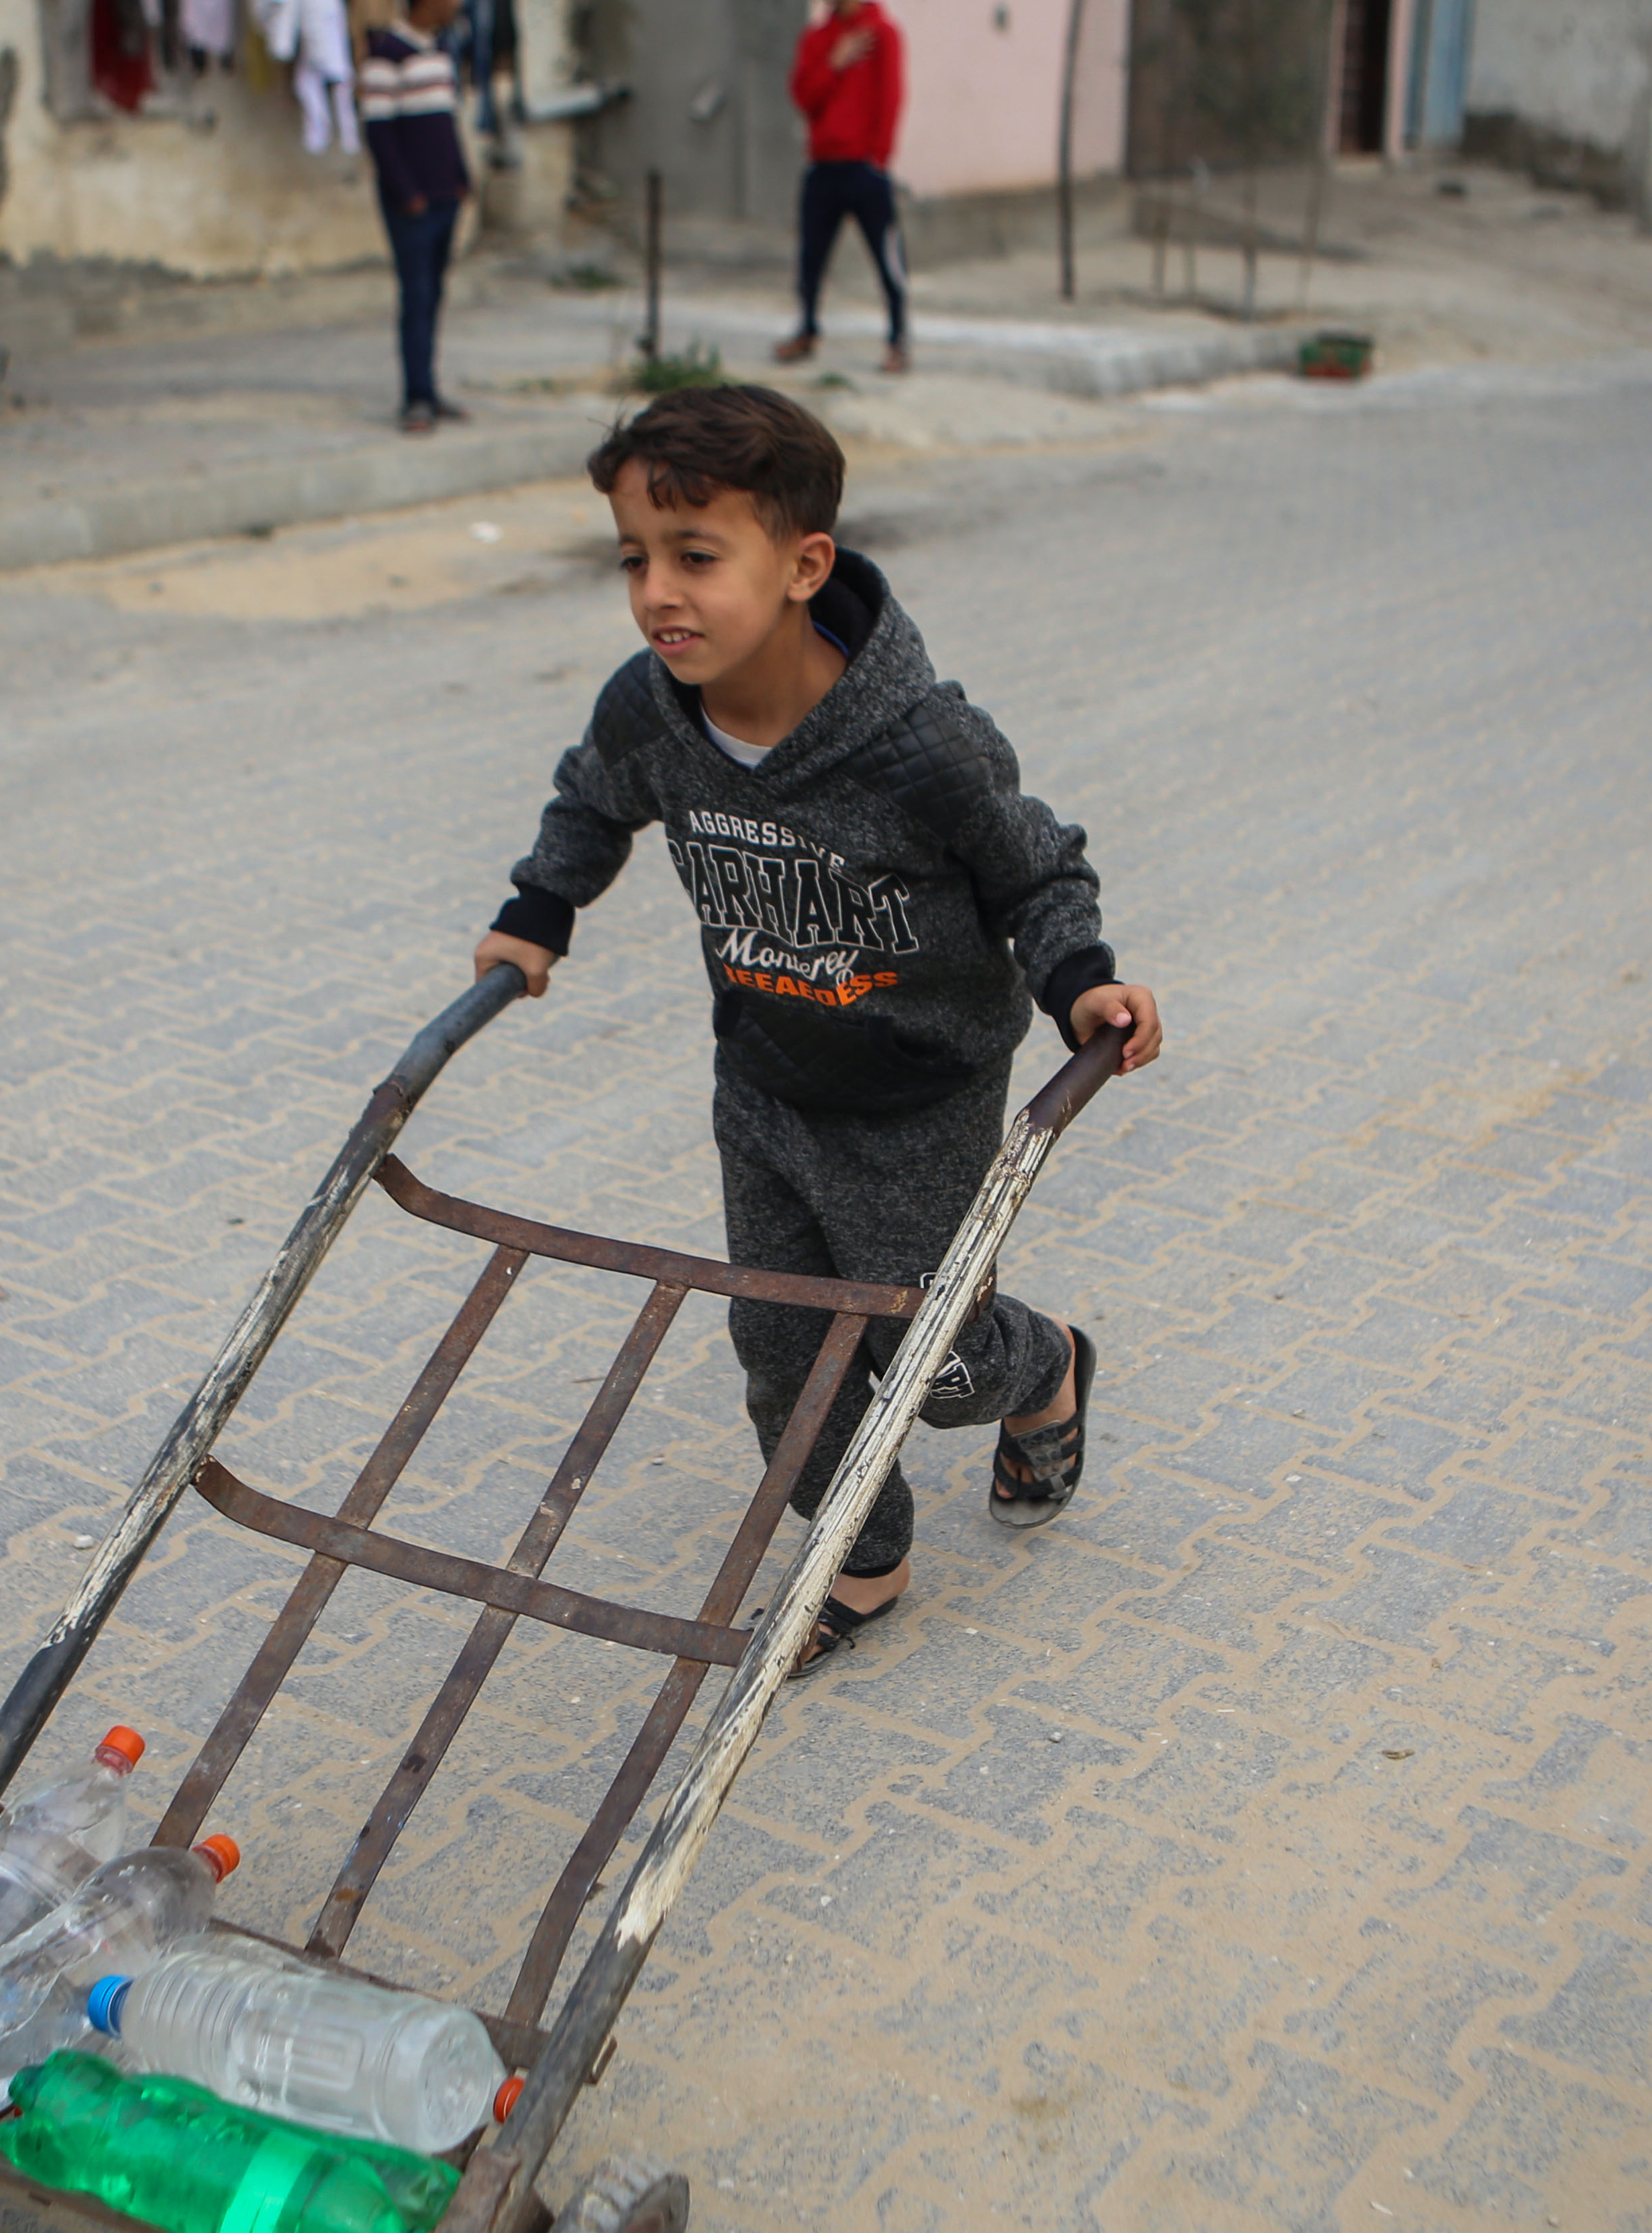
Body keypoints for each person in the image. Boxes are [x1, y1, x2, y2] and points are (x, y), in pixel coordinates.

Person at [470, 387, 1164, 1674]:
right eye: (633, 559)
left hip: (918, 1097)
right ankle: (864, 1556)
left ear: (803, 566)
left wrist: (1080, 979)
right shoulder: (650, 710)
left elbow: (1035, 869)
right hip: (765, 1078)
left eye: (695, 556)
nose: (656, 594)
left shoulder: (920, 745)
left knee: (936, 1365)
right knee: (783, 1348)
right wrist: (538, 910)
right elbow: (593, 800)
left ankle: (1048, 1366)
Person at [776, 0, 910, 375]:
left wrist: (879, 157)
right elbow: (804, 97)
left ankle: (898, 340)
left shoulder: (882, 34)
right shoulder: (817, 38)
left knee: (887, 257)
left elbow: (891, 96)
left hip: (865, 168)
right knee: (810, 257)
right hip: (823, 166)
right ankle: (807, 329)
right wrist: (833, 63)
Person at [358, 0, 473, 433]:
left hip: (446, 195)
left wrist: (461, 177)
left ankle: (430, 386)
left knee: (435, 294)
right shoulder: (386, 55)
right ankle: (417, 397)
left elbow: (446, 123)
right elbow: (379, 133)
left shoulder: (441, 50)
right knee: (417, 296)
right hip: (413, 203)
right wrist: (407, 193)